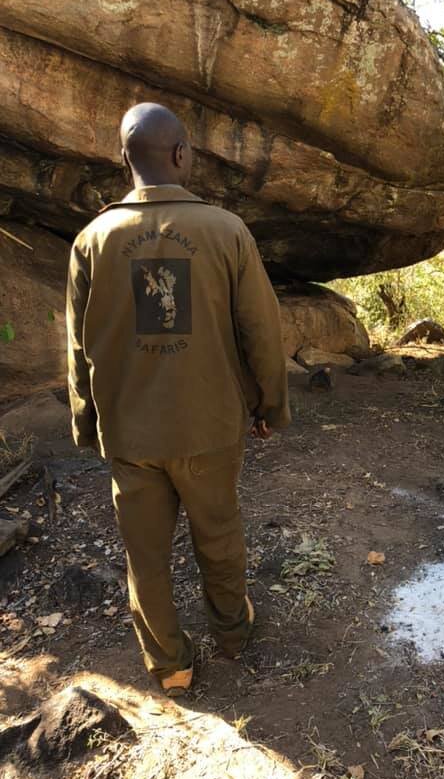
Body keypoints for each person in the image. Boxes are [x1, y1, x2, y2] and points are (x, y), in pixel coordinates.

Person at [66, 102, 290, 695]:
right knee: (218, 532)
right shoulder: (226, 231)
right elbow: (262, 332)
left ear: (124, 159)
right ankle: (233, 634)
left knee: (145, 552)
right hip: (211, 426)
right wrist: (270, 406)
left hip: (130, 434)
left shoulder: (91, 240)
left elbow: (77, 347)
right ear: (182, 155)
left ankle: (171, 664)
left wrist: (86, 422)